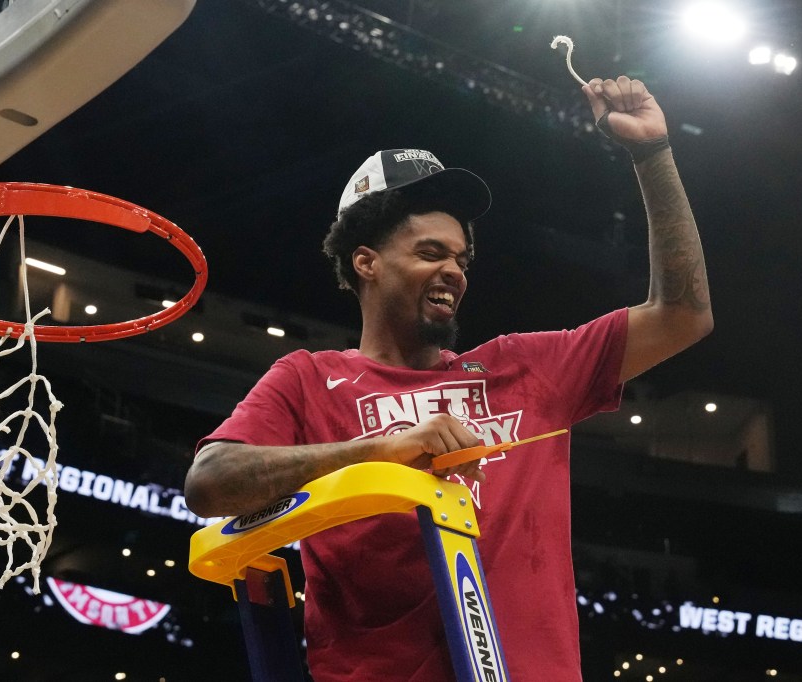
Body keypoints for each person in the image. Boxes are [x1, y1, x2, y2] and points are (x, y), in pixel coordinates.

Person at [184, 76, 713, 681]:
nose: (454, 271)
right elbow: (210, 482)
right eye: (431, 252)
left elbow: (684, 315)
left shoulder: (526, 366)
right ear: (366, 262)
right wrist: (378, 453)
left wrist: (652, 153)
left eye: (461, 259)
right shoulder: (307, 378)